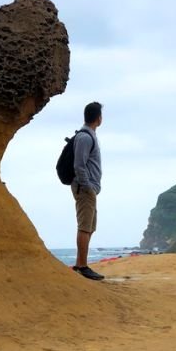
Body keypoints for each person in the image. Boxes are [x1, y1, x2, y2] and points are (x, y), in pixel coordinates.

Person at [71, 101, 104, 281]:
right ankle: (82, 266)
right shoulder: (85, 137)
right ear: (98, 118)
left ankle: (79, 263)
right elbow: (79, 165)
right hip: (85, 189)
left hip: (88, 189)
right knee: (85, 226)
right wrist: (88, 187)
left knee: (90, 226)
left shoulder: (89, 135)